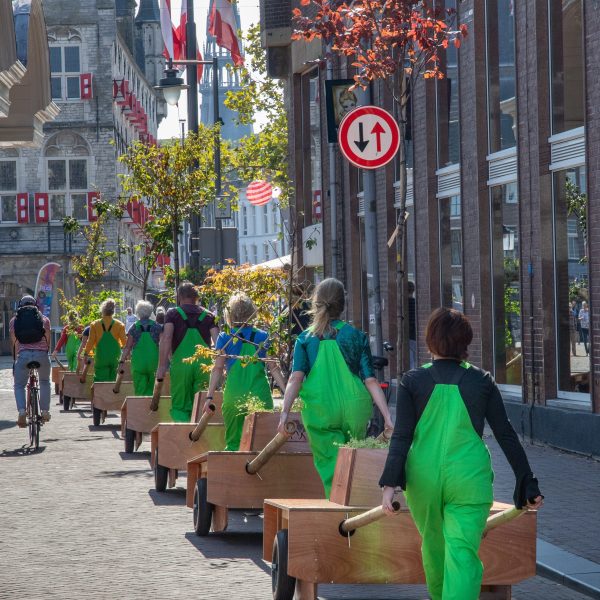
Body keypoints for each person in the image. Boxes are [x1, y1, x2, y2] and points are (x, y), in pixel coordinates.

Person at [380, 307, 543, 600]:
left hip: (424, 480)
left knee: (433, 549)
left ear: (430, 341)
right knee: (462, 553)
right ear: (464, 343)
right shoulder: (482, 381)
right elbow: (505, 434)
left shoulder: (411, 381)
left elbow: (402, 436)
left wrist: (389, 487)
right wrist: (527, 481)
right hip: (469, 479)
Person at [278, 278, 393, 498]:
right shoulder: (357, 337)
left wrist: (284, 413)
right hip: (354, 407)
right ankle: (354, 500)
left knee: (330, 461)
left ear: (316, 303)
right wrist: (387, 417)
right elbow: (370, 380)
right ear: (343, 305)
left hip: (320, 409)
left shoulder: (306, 338)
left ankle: (336, 504)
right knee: (352, 459)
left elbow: (295, 378)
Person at [204, 293, 286, 451]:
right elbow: (274, 368)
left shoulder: (225, 337)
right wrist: (287, 395)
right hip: (260, 397)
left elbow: (218, 369)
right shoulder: (263, 336)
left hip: (234, 398)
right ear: (251, 312)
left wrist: (209, 396)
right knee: (261, 445)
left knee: (234, 445)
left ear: (230, 314)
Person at [156, 282, 219, 422]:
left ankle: (183, 438)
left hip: (181, 365)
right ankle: (201, 440)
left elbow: (166, 338)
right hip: (204, 366)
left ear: (179, 297)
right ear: (197, 296)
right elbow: (218, 342)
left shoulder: (172, 314)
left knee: (180, 406)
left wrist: (161, 366)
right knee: (203, 405)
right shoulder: (209, 316)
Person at [10, 295, 52, 426]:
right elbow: (48, 338)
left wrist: (16, 359)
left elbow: (15, 343)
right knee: (45, 381)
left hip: (24, 355)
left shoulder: (14, 320)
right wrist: (45, 353)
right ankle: (45, 410)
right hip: (41, 355)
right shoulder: (44, 319)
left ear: (20, 306)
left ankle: (22, 411)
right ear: (36, 305)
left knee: (19, 385)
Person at [119, 300, 162, 396]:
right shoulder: (157, 327)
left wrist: (121, 361)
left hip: (138, 363)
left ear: (138, 312)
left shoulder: (134, 327)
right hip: (153, 363)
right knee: (152, 390)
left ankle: (140, 408)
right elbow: (163, 344)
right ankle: (149, 409)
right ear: (151, 312)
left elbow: (127, 347)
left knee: (140, 391)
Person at [83, 299, 127, 382]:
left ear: (102, 310)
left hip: (101, 357)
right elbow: (125, 343)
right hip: (115, 357)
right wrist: (127, 356)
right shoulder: (120, 325)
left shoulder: (94, 324)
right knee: (113, 382)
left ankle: (101, 395)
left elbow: (90, 341)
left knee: (100, 382)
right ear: (113, 311)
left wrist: (86, 354)